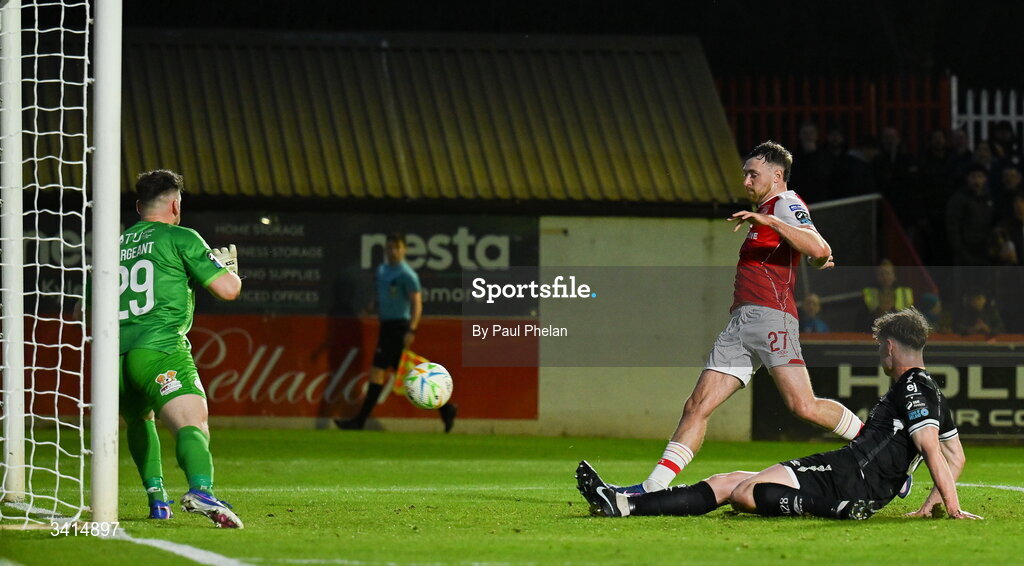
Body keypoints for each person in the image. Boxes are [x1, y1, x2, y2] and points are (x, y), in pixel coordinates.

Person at [603, 141, 862, 496]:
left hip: (772, 318)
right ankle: (651, 488)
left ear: (777, 174)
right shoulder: (772, 210)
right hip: (741, 323)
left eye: (752, 174)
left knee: (803, 405)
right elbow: (813, 255)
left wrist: (773, 223)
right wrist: (812, 256)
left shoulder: (785, 203)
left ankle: (879, 447)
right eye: (744, 175)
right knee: (697, 406)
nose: (746, 181)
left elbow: (820, 248)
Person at [577, 308, 982, 521]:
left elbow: (931, 447)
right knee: (725, 481)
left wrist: (949, 505)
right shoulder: (928, 390)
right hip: (845, 473)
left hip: (850, 480)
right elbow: (956, 456)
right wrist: (932, 502)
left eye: (880, 347)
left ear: (891, 347)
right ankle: (624, 506)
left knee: (745, 493)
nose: (880, 354)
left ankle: (836, 510)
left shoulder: (912, 387)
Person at [117, 170, 244, 527]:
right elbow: (228, 290)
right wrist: (229, 269)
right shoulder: (180, 237)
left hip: (115, 357)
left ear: (140, 206)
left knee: (139, 421)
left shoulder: (114, 245)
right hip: (159, 349)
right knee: (192, 422)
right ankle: (201, 490)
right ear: (175, 205)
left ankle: (157, 499)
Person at [334, 232, 457, 432]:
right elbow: (380, 294)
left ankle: (359, 421)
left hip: (398, 327)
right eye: (390, 247)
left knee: (384, 373)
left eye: (397, 247)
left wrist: (412, 329)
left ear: (404, 250)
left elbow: (417, 303)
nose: (393, 251)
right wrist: (371, 306)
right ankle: (446, 409)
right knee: (404, 374)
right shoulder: (382, 271)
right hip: (386, 326)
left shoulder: (407, 274)